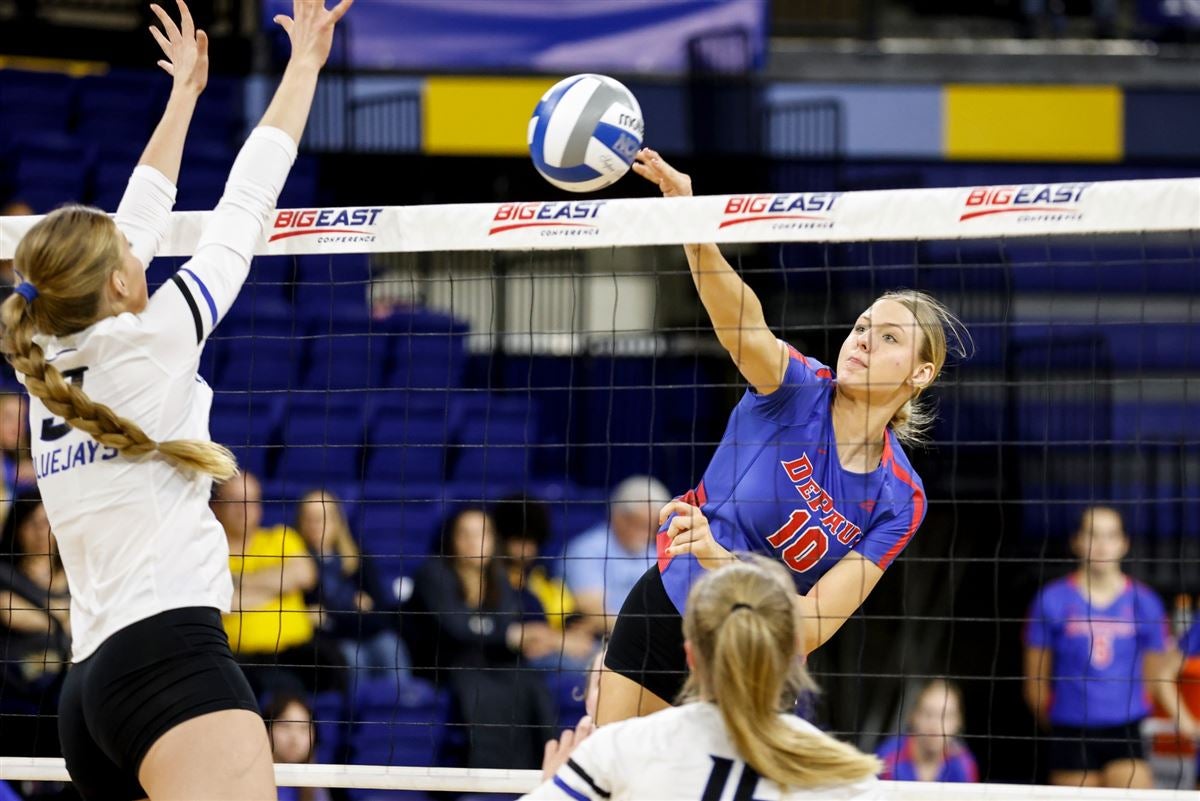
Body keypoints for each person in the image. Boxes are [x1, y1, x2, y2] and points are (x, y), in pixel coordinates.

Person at [0, 1, 352, 798]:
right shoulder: (152, 339)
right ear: (121, 282)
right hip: (171, 671)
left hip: (91, 693)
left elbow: (138, 213)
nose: (140, 244)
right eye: (129, 251)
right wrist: (302, 68)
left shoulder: (47, 350)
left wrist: (184, 95)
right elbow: (245, 205)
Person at [595, 149, 969, 724]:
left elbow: (811, 627)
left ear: (920, 374)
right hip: (674, 605)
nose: (864, 339)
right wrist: (692, 223)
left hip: (756, 656)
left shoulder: (901, 498)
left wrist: (721, 558)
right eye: (863, 326)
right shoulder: (797, 388)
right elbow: (740, 323)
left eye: (889, 338)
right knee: (614, 773)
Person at [523, 555, 882, 800]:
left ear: (691, 655)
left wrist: (552, 788)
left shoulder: (617, 748)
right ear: (793, 660)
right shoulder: (843, 776)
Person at [1024, 505, 1185, 789]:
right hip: (1070, 730)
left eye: (1110, 536)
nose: (1101, 545)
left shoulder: (1145, 602)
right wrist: (1061, 718)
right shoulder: (1050, 600)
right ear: (1076, 541)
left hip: (1124, 729)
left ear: (1124, 543)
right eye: (1092, 535)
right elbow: (1035, 683)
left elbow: (1154, 677)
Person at [404, 506, 557, 769]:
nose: (474, 541)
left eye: (482, 533)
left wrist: (503, 633)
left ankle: (543, 767)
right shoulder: (433, 574)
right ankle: (484, 776)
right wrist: (506, 634)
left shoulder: (498, 576)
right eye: (466, 534)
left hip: (490, 662)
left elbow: (505, 621)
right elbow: (456, 628)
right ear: (452, 538)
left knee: (531, 682)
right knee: (479, 690)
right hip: (446, 665)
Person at [213, 473, 344, 695]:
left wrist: (236, 582)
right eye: (235, 500)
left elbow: (305, 575)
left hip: (297, 653)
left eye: (252, 500)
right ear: (215, 507)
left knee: (336, 663)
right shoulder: (209, 552)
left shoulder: (281, 537)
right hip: (239, 660)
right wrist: (277, 590)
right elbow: (220, 601)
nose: (244, 508)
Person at [295, 488, 410, 676]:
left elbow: (381, 616)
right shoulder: (295, 564)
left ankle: (405, 704)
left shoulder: (359, 559)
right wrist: (352, 608)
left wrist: (330, 614)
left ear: (338, 521)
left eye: (324, 517)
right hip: (332, 644)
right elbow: (309, 621)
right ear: (300, 522)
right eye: (309, 517)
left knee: (390, 646)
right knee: (352, 658)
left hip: (368, 634)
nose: (316, 524)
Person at [0, 490, 70, 758]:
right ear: (18, 526)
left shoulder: (79, 575)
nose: (42, 532)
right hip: (19, 690)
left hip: (67, 690)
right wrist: (64, 617)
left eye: (48, 523)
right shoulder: (6, 574)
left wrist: (47, 618)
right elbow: (10, 612)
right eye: (34, 524)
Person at [494, 493, 596, 672]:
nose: (526, 549)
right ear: (502, 539)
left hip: (558, 650)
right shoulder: (494, 580)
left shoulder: (541, 576)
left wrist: (579, 632)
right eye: (518, 540)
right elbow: (512, 633)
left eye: (531, 540)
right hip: (518, 662)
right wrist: (559, 642)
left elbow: (570, 617)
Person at [563, 475, 670, 636]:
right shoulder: (587, 549)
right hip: (602, 641)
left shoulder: (656, 553)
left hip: (644, 640)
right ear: (618, 517)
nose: (646, 534)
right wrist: (648, 632)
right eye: (639, 524)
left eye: (652, 526)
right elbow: (596, 613)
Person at [876, 679, 978, 783]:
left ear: (958, 721)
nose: (935, 725)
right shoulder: (887, 758)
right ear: (912, 716)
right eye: (928, 714)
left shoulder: (964, 765)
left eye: (946, 716)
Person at [263, 692, 332, 801]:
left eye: (303, 728)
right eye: (285, 726)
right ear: (267, 730)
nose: (294, 738)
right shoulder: (252, 782)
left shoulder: (316, 789)